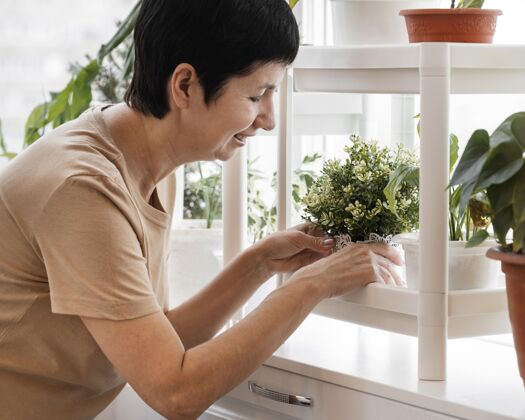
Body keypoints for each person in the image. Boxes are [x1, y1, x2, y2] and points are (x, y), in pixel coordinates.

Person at [0, 0, 404, 418]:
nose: (269, 119)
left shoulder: (149, 164)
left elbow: (160, 340)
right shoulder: (84, 190)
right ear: (185, 85)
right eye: (256, 95)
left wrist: (261, 262)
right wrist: (314, 284)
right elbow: (175, 392)